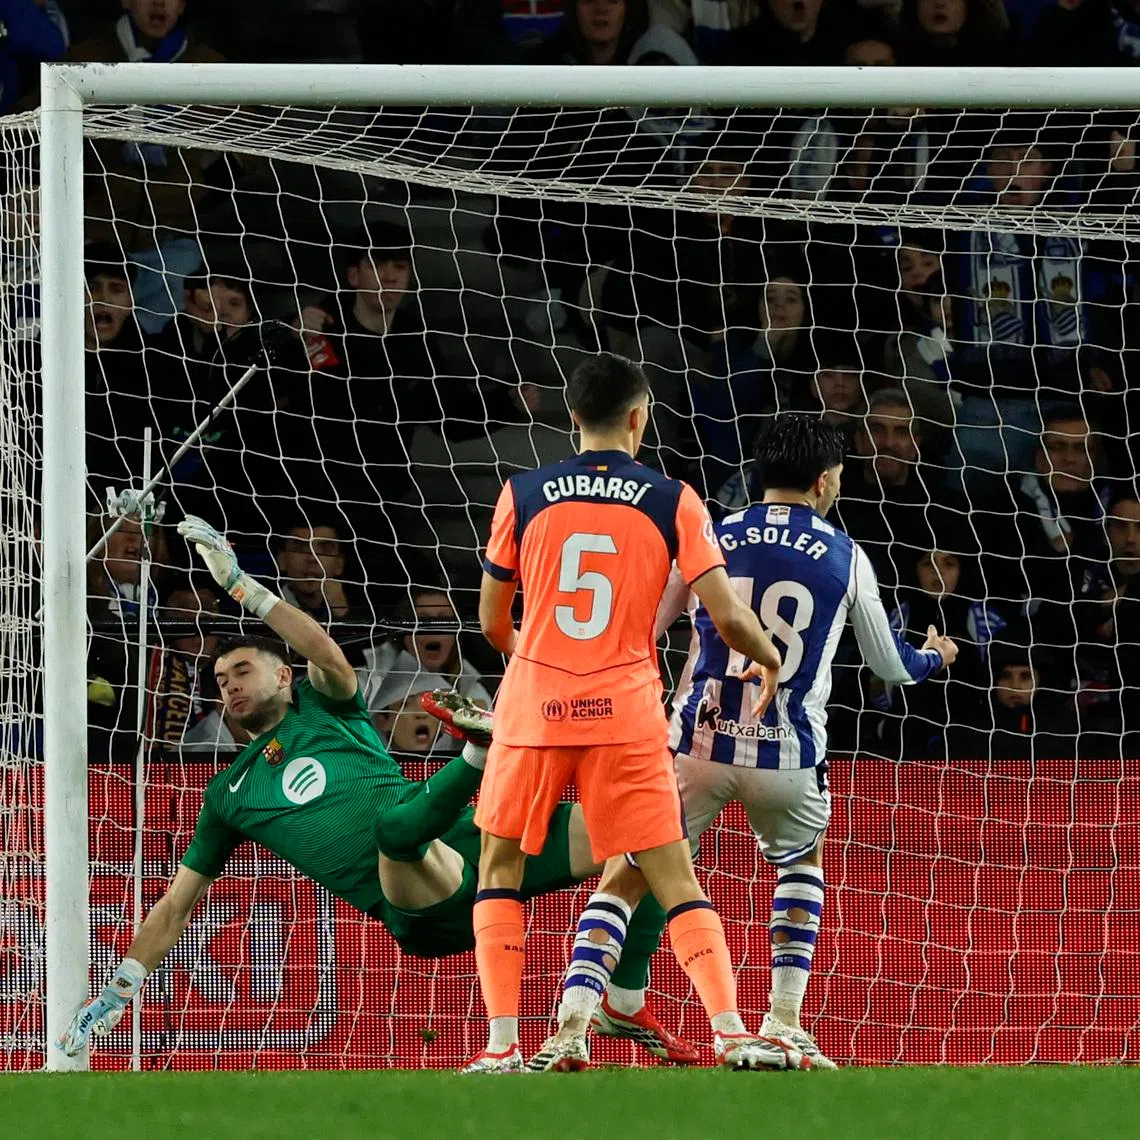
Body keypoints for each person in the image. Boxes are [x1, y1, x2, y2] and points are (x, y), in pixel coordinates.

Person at [58, 514, 695, 1067]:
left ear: (283, 675)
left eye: (242, 670)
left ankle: (623, 1001)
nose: (228, 685)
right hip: (419, 903)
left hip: (464, 842)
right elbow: (175, 906)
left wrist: (241, 588)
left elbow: (327, 653)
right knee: (395, 835)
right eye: (220, 679)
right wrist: (115, 992)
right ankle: (482, 747)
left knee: (644, 836)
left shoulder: (327, 708)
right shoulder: (228, 791)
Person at [470, 353, 786, 1074]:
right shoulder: (674, 499)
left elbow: (492, 624)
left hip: (536, 709)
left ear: (572, 417)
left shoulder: (521, 493)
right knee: (674, 876)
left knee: (501, 867)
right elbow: (728, 616)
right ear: (640, 416)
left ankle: (502, 1047)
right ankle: (733, 1032)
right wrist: (767, 659)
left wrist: (539, 658)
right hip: (628, 709)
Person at [656, 414, 958, 1067]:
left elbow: (650, 624)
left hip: (699, 738)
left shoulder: (711, 534)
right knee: (800, 863)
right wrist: (935, 654)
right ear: (823, 482)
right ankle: (784, 1018)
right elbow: (892, 667)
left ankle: (577, 1016)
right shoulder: (846, 556)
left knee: (639, 870)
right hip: (787, 753)